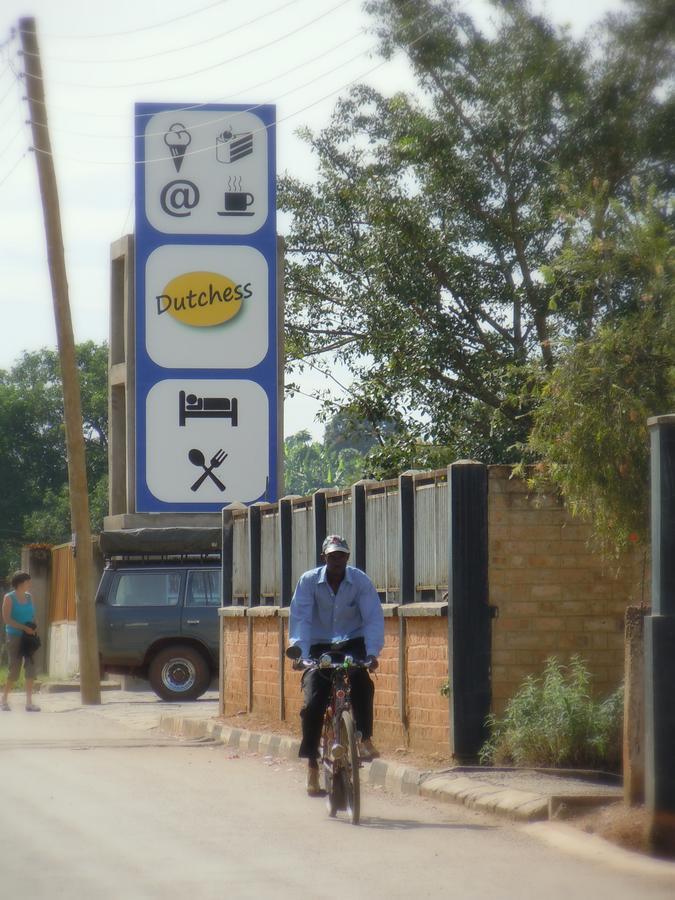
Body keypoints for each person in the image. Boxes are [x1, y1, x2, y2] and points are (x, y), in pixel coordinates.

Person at [289, 535, 384, 796]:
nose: (337, 561)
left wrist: (372, 652)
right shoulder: (308, 582)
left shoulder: (360, 582)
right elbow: (301, 618)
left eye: (341, 556)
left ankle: (364, 738)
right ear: (324, 558)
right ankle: (312, 764)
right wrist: (301, 653)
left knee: (363, 683)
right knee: (313, 703)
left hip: (352, 643)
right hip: (319, 645)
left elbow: (373, 617)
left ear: (347, 558)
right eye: (332, 556)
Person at [2, 571, 41, 712]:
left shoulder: (29, 597)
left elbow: (32, 614)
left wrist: (35, 622)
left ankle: (29, 703)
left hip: (29, 637)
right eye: (28, 581)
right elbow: (7, 619)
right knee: (14, 668)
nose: (30, 584)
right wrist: (24, 627)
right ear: (20, 583)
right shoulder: (9, 597)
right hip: (14, 636)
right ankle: (4, 700)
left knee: (31, 667)